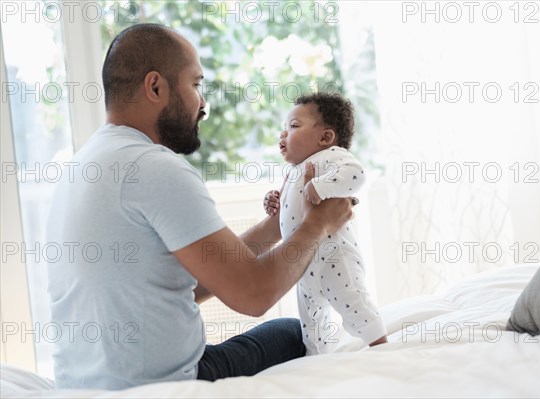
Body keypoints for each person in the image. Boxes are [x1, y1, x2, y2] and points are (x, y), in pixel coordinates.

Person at [45, 23, 355, 390]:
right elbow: (254, 294)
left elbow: (190, 280)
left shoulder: (83, 165)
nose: (202, 102)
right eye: (195, 84)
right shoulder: (156, 168)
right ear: (155, 87)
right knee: (292, 332)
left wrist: (276, 228)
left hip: (83, 386)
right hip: (163, 385)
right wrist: (317, 224)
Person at [263, 92, 388, 355]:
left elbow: (357, 174)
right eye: (284, 128)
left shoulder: (331, 156)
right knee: (312, 324)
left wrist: (321, 186)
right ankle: (316, 361)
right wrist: (274, 199)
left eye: (293, 127)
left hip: (335, 256)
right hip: (302, 263)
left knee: (354, 303)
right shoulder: (293, 170)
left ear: (325, 137)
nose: (283, 135)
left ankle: (382, 349)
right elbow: (289, 206)